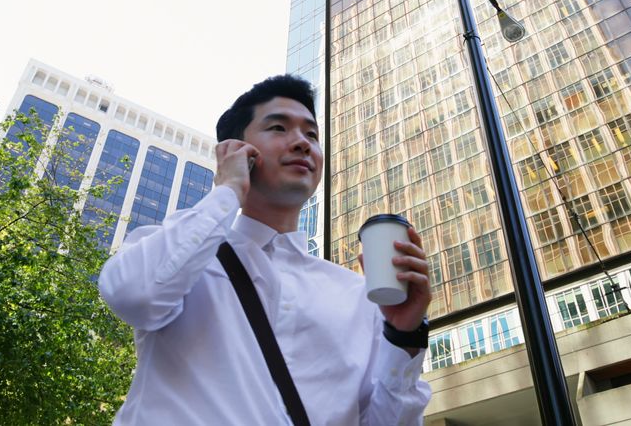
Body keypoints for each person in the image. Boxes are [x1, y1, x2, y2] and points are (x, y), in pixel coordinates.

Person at [98, 75, 432, 425]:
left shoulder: (356, 296)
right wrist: (228, 189)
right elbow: (132, 294)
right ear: (236, 150)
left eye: (312, 134)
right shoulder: (179, 254)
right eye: (278, 128)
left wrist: (405, 335)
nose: (302, 143)